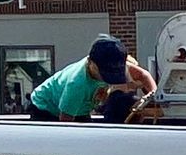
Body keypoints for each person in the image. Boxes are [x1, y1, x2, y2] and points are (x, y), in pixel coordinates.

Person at [28, 37, 157, 122]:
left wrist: (155, 100)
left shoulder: (115, 64)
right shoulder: (77, 84)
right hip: (46, 108)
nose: (109, 76)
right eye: (105, 72)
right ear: (91, 63)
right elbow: (65, 122)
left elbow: (143, 76)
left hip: (80, 107)